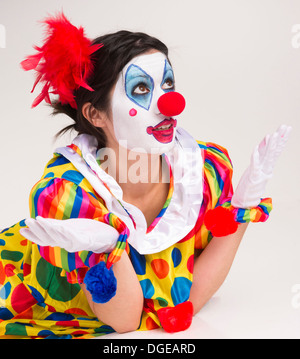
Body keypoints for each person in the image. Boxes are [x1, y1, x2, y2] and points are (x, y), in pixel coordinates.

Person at [0, 12, 291, 339]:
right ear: (95, 114)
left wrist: (244, 205)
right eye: (141, 88)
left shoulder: (204, 170)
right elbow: (124, 322)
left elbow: (187, 301)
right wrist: (108, 246)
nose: (170, 103)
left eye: (167, 83)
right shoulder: (67, 197)